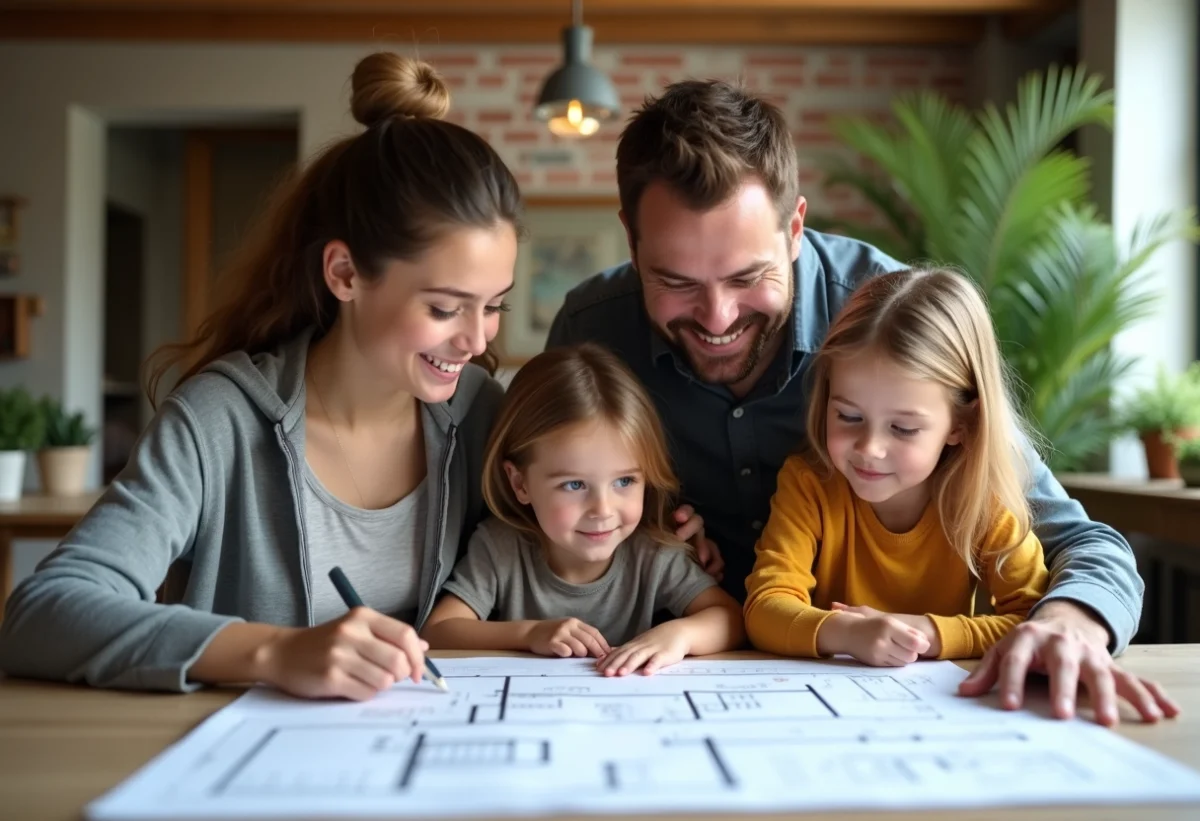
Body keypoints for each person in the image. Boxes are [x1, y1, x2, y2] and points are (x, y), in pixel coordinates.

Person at [546, 79, 1178, 723]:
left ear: (795, 226)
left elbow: (1080, 540)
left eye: (748, 277)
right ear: (631, 240)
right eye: (675, 282)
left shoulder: (892, 324)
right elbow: (516, 519)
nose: (717, 317)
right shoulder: (592, 333)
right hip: (655, 678)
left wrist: (1069, 625)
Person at [0, 52, 520, 701]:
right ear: (345, 275)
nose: (476, 339)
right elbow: (43, 611)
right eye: (445, 308)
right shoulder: (217, 419)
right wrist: (273, 649)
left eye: (494, 305)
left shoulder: (483, 417)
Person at [744, 267, 1049, 666]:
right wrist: (850, 634)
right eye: (849, 417)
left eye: (903, 428)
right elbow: (765, 608)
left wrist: (927, 634)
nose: (869, 448)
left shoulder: (983, 501)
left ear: (961, 423)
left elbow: (1036, 621)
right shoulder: (809, 484)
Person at [421, 343, 744, 676]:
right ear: (520, 484)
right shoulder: (501, 547)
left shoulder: (652, 552)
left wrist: (681, 635)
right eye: (574, 485)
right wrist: (531, 633)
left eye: (624, 482)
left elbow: (729, 617)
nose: (602, 509)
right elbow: (438, 631)